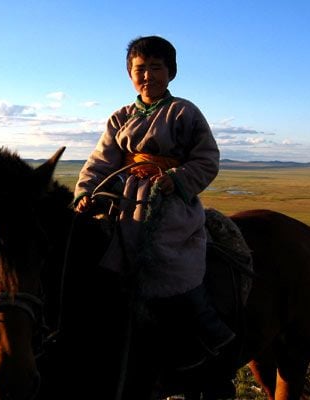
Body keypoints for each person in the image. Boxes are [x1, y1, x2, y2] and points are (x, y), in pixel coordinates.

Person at [73, 35, 234, 367]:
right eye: (140, 68)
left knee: (173, 258)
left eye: (156, 68)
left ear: (171, 72)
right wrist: (86, 194)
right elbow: (101, 161)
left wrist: (174, 179)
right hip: (125, 202)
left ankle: (210, 334)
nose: (148, 75)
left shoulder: (184, 112)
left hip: (171, 201)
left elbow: (207, 160)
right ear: (130, 74)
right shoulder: (120, 117)